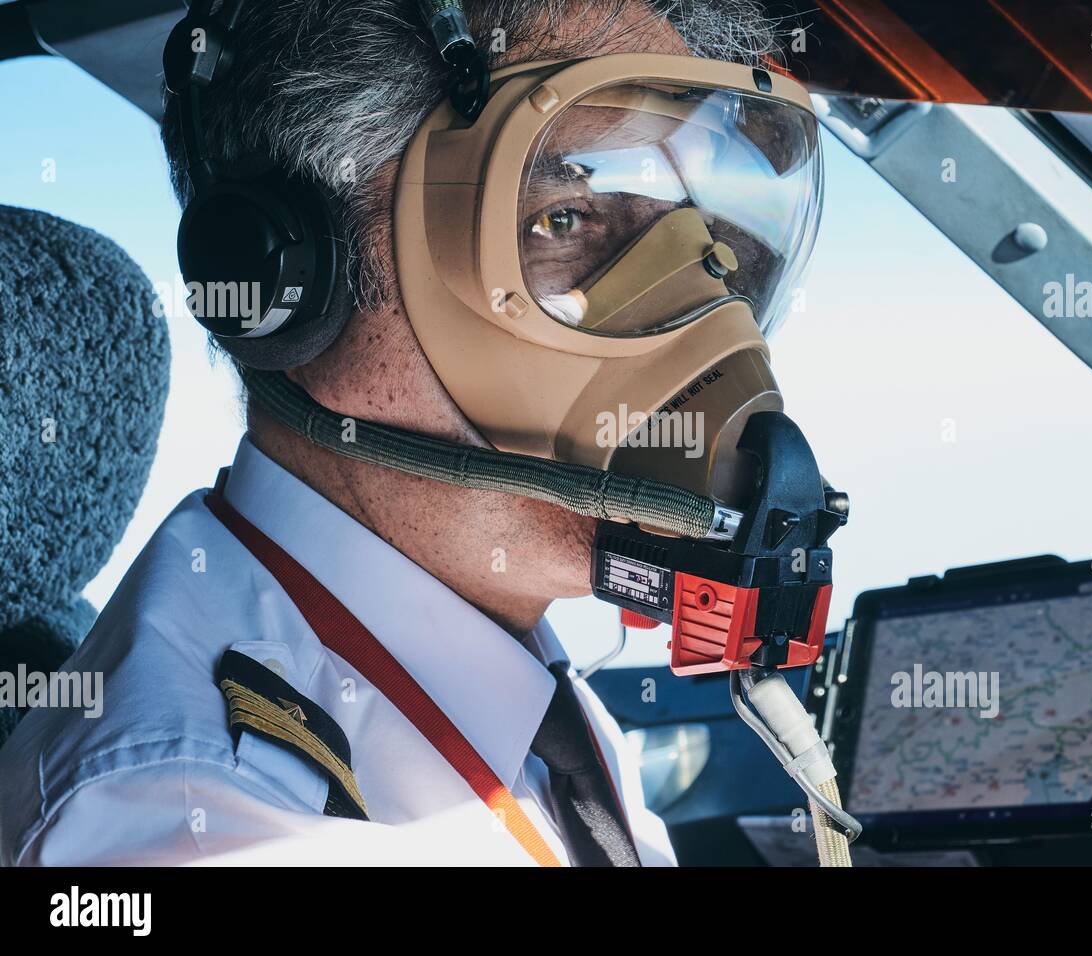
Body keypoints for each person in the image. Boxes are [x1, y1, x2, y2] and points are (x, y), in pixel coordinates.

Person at [0, 0, 832, 866]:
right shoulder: (205, 816)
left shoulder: (509, 688)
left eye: (708, 240)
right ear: (288, 285)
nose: (703, 321)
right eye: (565, 220)